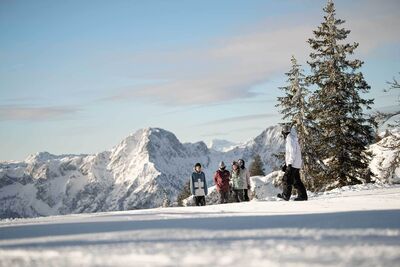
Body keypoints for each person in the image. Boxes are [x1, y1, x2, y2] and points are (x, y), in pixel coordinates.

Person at [277, 125, 308, 201]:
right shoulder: (292, 139)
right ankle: (303, 196)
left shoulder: (290, 139)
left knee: (286, 179)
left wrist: (289, 164)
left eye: (283, 133)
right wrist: (286, 164)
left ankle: (286, 195)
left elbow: (292, 152)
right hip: (296, 163)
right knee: (296, 180)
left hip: (293, 164)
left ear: (284, 132)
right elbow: (292, 153)